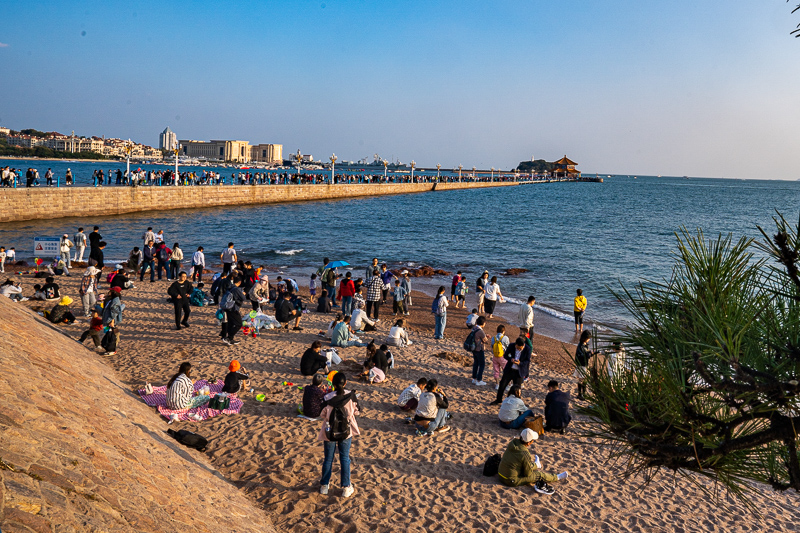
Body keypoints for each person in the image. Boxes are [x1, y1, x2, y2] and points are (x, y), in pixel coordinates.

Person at [318, 372, 359, 498]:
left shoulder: (327, 398)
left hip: (330, 431)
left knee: (328, 459)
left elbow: (322, 414)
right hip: (345, 431)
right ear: (345, 383)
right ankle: (346, 487)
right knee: (344, 458)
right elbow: (357, 412)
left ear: (333, 384)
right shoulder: (351, 396)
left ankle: (324, 486)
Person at [498, 429, 567, 495]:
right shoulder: (524, 453)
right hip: (510, 480)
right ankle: (557, 477)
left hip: (500, 474)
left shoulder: (513, 443)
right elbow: (528, 474)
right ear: (529, 442)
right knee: (538, 475)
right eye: (533, 440)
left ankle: (536, 464)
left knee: (524, 465)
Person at [491, 337, 532, 405]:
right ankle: (498, 400)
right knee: (502, 385)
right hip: (509, 370)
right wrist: (511, 359)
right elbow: (505, 355)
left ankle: (517, 403)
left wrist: (520, 363)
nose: (518, 349)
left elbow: (527, 361)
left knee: (517, 389)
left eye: (520, 348)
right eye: (517, 347)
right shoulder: (511, 345)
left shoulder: (527, 349)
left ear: (523, 345)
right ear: (516, 344)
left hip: (519, 372)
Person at [220, 276, 245, 345]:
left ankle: (229, 338)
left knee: (231, 323)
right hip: (233, 308)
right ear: (239, 282)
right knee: (239, 323)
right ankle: (228, 337)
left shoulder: (229, 287)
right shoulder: (236, 289)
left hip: (227, 307)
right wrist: (243, 293)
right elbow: (243, 298)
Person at [101, 287, 124, 356]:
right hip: (109, 319)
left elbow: (114, 312)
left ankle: (112, 350)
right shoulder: (112, 299)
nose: (109, 292)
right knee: (108, 333)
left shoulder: (115, 300)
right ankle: (108, 349)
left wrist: (112, 320)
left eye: (111, 291)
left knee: (111, 335)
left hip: (111, 320)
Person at [574, 330, 594, 400]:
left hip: (585, 365)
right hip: (582, 365)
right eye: (588, 338)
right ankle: (580, 394)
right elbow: (583, 356)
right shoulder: (581, 346)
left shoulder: (584, 344)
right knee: (581, 379)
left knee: (584, 379)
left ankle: (584, 393)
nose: (589, 340)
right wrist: (590, 354)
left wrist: (592, 353)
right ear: (585, 338)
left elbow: (587, 354)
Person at [470, 316, 488, 386]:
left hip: (473, 348)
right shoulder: (480, 331)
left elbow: (478, 336)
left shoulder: (474, 328)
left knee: (476, 363)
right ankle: (479, 380)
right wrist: (486, 337)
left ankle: (474, 378)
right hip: (479, 349)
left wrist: (484, 336)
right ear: (483, 323)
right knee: (482, 364)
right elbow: (485, 340)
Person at [491, 325, 511, 389]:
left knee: (496, 370)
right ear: (503, 331)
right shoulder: (505, 338)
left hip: (495, 356)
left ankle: (497, 384)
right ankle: (508, 385)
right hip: (502, 356)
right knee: (506, 371)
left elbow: (492, 346)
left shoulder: (493, 338)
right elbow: (508, 347)